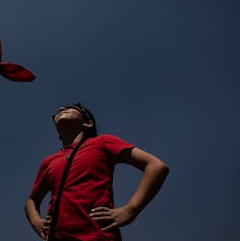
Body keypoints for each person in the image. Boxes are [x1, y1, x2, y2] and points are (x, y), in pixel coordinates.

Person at [25, 103, 169, 241]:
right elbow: (32, 200)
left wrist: (130, 209)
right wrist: (36, 222)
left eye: (71, 108)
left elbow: (156, 166)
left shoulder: (103, 142)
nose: (62, 108)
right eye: (59, 111)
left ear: (88, 123)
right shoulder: (49, 161)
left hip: (97, 236)